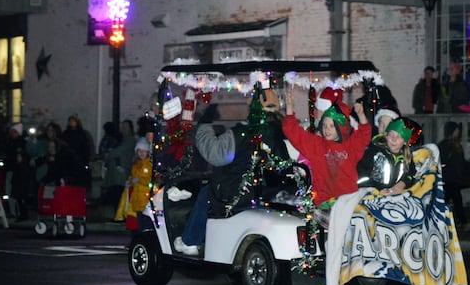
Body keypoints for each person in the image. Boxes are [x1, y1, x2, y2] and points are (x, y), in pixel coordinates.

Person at [174, 99, 288, 255]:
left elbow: (215, 154)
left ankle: (190, 241)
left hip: (236, 193)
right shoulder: (278, 135)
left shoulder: (240, 133)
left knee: (206, 194)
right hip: (267, 193)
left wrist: (205, 124)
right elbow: (283, 166)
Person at [282, 89, 371, 214]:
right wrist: (290, 109)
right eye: (324, 125)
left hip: (348, 201)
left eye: (331, 126)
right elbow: (293, 132)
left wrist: (361, 115)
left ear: (341, 127)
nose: (327, 129)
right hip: (325, 203)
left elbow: (364, 135)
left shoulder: (350, 146)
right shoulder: (317, 146)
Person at [357, 117, 424, 194]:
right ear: (386, 136)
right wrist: (376, 190)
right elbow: (361, 176)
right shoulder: (373, 152)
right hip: (370, 195)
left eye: (399, 136)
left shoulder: (406, 157)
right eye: (391, 135)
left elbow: (410, 174)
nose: (394, 139)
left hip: (394, 196)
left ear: (405, 142)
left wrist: (403, 183)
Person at [437, 121, 470, 231]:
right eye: (456, 130)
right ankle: (463, 222)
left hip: (454, 178)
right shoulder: (445, 145)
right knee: (456, 200)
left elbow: (461, 161)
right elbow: (443, 161)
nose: (458, 132)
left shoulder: (456, 145)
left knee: (449, 200)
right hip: (448, 178)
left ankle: (458, 221)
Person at [114, 138, 153, 224]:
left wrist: (140, 180)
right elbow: (133, 176)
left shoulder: (149, 165)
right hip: (136, 195)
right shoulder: (136, 165)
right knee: (137, 217)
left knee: (144, 217)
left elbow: (149, 180)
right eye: (140, 151)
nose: (142, 153)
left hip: (145, 196)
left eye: (144, 151)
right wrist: (130, 182)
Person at [101, 119, 136, 206]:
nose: (123, 128)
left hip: (122, 172)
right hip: (116, 172)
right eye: (122, 126)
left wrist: (109, 154)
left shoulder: (130, 140)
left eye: (125, 127)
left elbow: (117, 151)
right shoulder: (120, 139)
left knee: (119, 193)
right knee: (116, 193)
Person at [4, 123, 31, 220]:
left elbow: (19, 158)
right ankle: (14, 212)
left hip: (17, 172)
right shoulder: (11, 142)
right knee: (11, 192)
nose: (12, 133)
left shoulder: (19, 143)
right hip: (12, 170)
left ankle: (18, 213)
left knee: (17, 193)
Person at [62, 114, 93, 190]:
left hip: (81, 159)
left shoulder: (82, 133)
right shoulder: (66, 133)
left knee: (81, 180)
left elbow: (87, 146)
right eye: (70, 121)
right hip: (69, 161)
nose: (71, 123)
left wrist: (89, 158)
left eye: (73, 121)